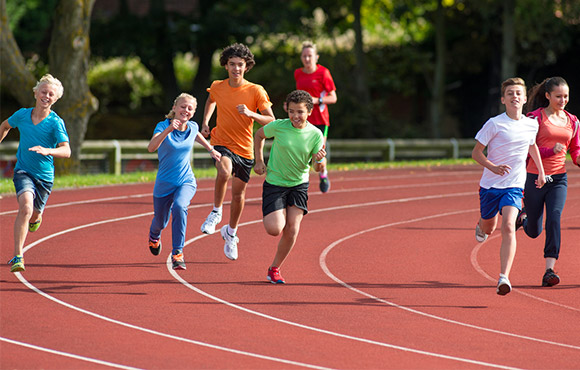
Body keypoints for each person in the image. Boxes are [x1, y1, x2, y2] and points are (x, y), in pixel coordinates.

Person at [199, 43, 275, 261]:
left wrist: (252, 113)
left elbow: (271, 119)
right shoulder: (218, 86)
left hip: (245, 149)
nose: (236, 69)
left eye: (240, 65)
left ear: (246, 67)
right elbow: (211, 99)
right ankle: (215, 212)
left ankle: (231, 233)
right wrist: (205, 121)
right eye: (232, 64)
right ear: (226, 66)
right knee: (223, 171)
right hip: (221, 141)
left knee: (238, 195)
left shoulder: (255, 90)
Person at [472, 77, 546, 296]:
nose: (515, 96)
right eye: (510, 93)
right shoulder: (494, 124)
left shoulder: (531, 124)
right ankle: (481, 224)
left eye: (518, 93)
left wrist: (541, 172)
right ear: (503, 99)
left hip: (513, 185)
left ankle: (503, 277)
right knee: (489, 228)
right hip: (490, 185)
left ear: (524, 98)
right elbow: (476, 153)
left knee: (508, 226)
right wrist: (492, 167)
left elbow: (532, 147)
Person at [0, 74, 71, 273]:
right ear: (35, 92)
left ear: (55, 99)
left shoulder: (56, 123)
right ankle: (18, 256)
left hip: (45, 177)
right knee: (25, 208)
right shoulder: (22, 115)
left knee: (34, 214)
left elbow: (67, 150)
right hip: (23, 171)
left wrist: (49, 150)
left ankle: (36, 218)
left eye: (51, 94)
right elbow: (5, 126)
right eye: (43, 91)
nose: (46, 96)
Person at [254, 90, 326, 284]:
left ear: (309, 112)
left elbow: (317, 167)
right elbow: (259, 135)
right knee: (275, 229)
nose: (295, 116)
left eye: (300, 112)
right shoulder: (278, 126)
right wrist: (259, 161)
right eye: (292, 111)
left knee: (292, 229)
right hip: (275, 183)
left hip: (299, 185)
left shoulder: (315, 134)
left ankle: (274, 268)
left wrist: (320, 162)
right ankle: (278, 213)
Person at [147, 93, 221, 270]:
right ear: (174, 108)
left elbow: (197, 135)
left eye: (190, 108)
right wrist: (169, 130)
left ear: (193, 112)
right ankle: (153, 236)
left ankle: (177, 253)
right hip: (164, 183)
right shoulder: (163, 125)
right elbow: (151, 147)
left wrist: (211, 149)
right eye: (183, 106)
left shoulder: (193, 127)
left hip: (185, 181)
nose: (185, 110)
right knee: (160, 222)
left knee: (180, 206)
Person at [518, 77, 580, 287]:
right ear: (547, 96)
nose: (563, 100)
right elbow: (528, 146)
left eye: (566, 96)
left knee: (554, 218)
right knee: (534, 231)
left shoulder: (573, 121)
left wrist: (578, 159)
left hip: (558, 179)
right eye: (558, 96)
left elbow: (575, 150)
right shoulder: (534, 118)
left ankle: (549, 270)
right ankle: (524, 217)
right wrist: (549, 150)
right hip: (535, 177)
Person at [294, 41, 337, 193]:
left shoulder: (323, 73)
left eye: (310, 56)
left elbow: (333, 98)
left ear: (316, 57)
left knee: (318, 153)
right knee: (300, 152)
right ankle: (299, 184)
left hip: (320, 120)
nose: (307, 59)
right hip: (302, 120)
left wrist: (316, 100)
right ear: (301, 57)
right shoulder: (298, 73)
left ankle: (323, 173)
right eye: (304, 56)